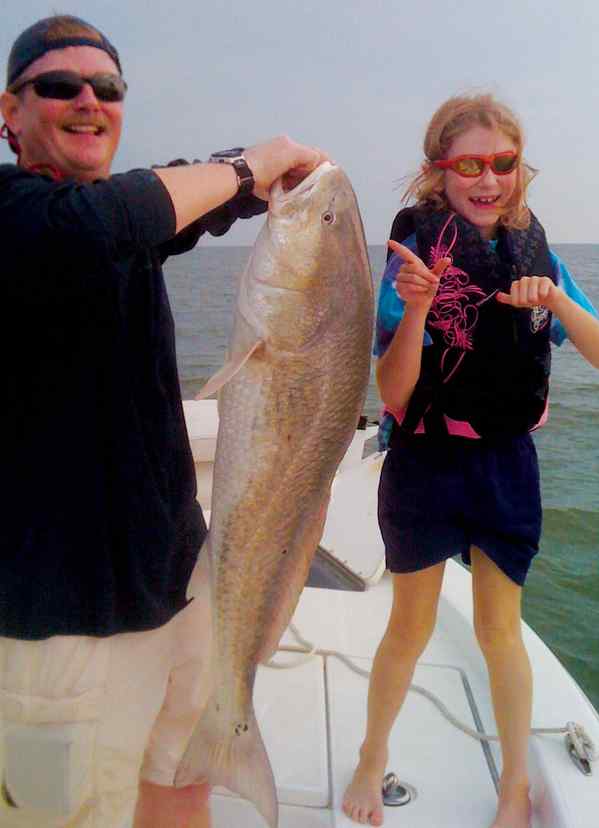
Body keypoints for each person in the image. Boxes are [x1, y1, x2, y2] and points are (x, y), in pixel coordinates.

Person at [0, 14, 329, 828]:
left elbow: (164, 210)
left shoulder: (120, 226)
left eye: (106, 89)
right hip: (63, 630)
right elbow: (111, 222)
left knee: (181, 787)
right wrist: (246, 164)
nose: (88, 101)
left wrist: (267, 191)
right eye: (59, 86)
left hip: (179, 592)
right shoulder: (24, 219)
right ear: (9, 111)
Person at [342, 93, 599, 828]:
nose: (488, 178)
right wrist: (422, 311)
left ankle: (513, 788)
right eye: (470, 164)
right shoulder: (413, 260)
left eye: (502, 163)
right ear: (440, 172)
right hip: (425, 461)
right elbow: (395, 393)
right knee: (410, 626)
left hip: (505, 465)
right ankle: (372, 758)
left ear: (518, 169)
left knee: (502, 629)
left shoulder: (539, 253)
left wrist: (556, 299)